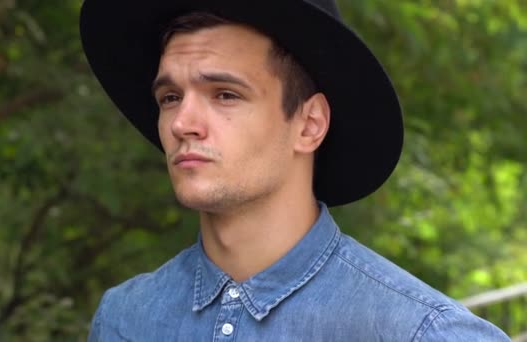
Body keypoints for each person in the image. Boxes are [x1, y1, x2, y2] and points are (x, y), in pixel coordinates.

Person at [80, 1, 510, 340]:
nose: (181, 123)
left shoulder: (422, 332)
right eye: (171, 97)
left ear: (309, 125)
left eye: (225, 95)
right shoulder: (126, 319)